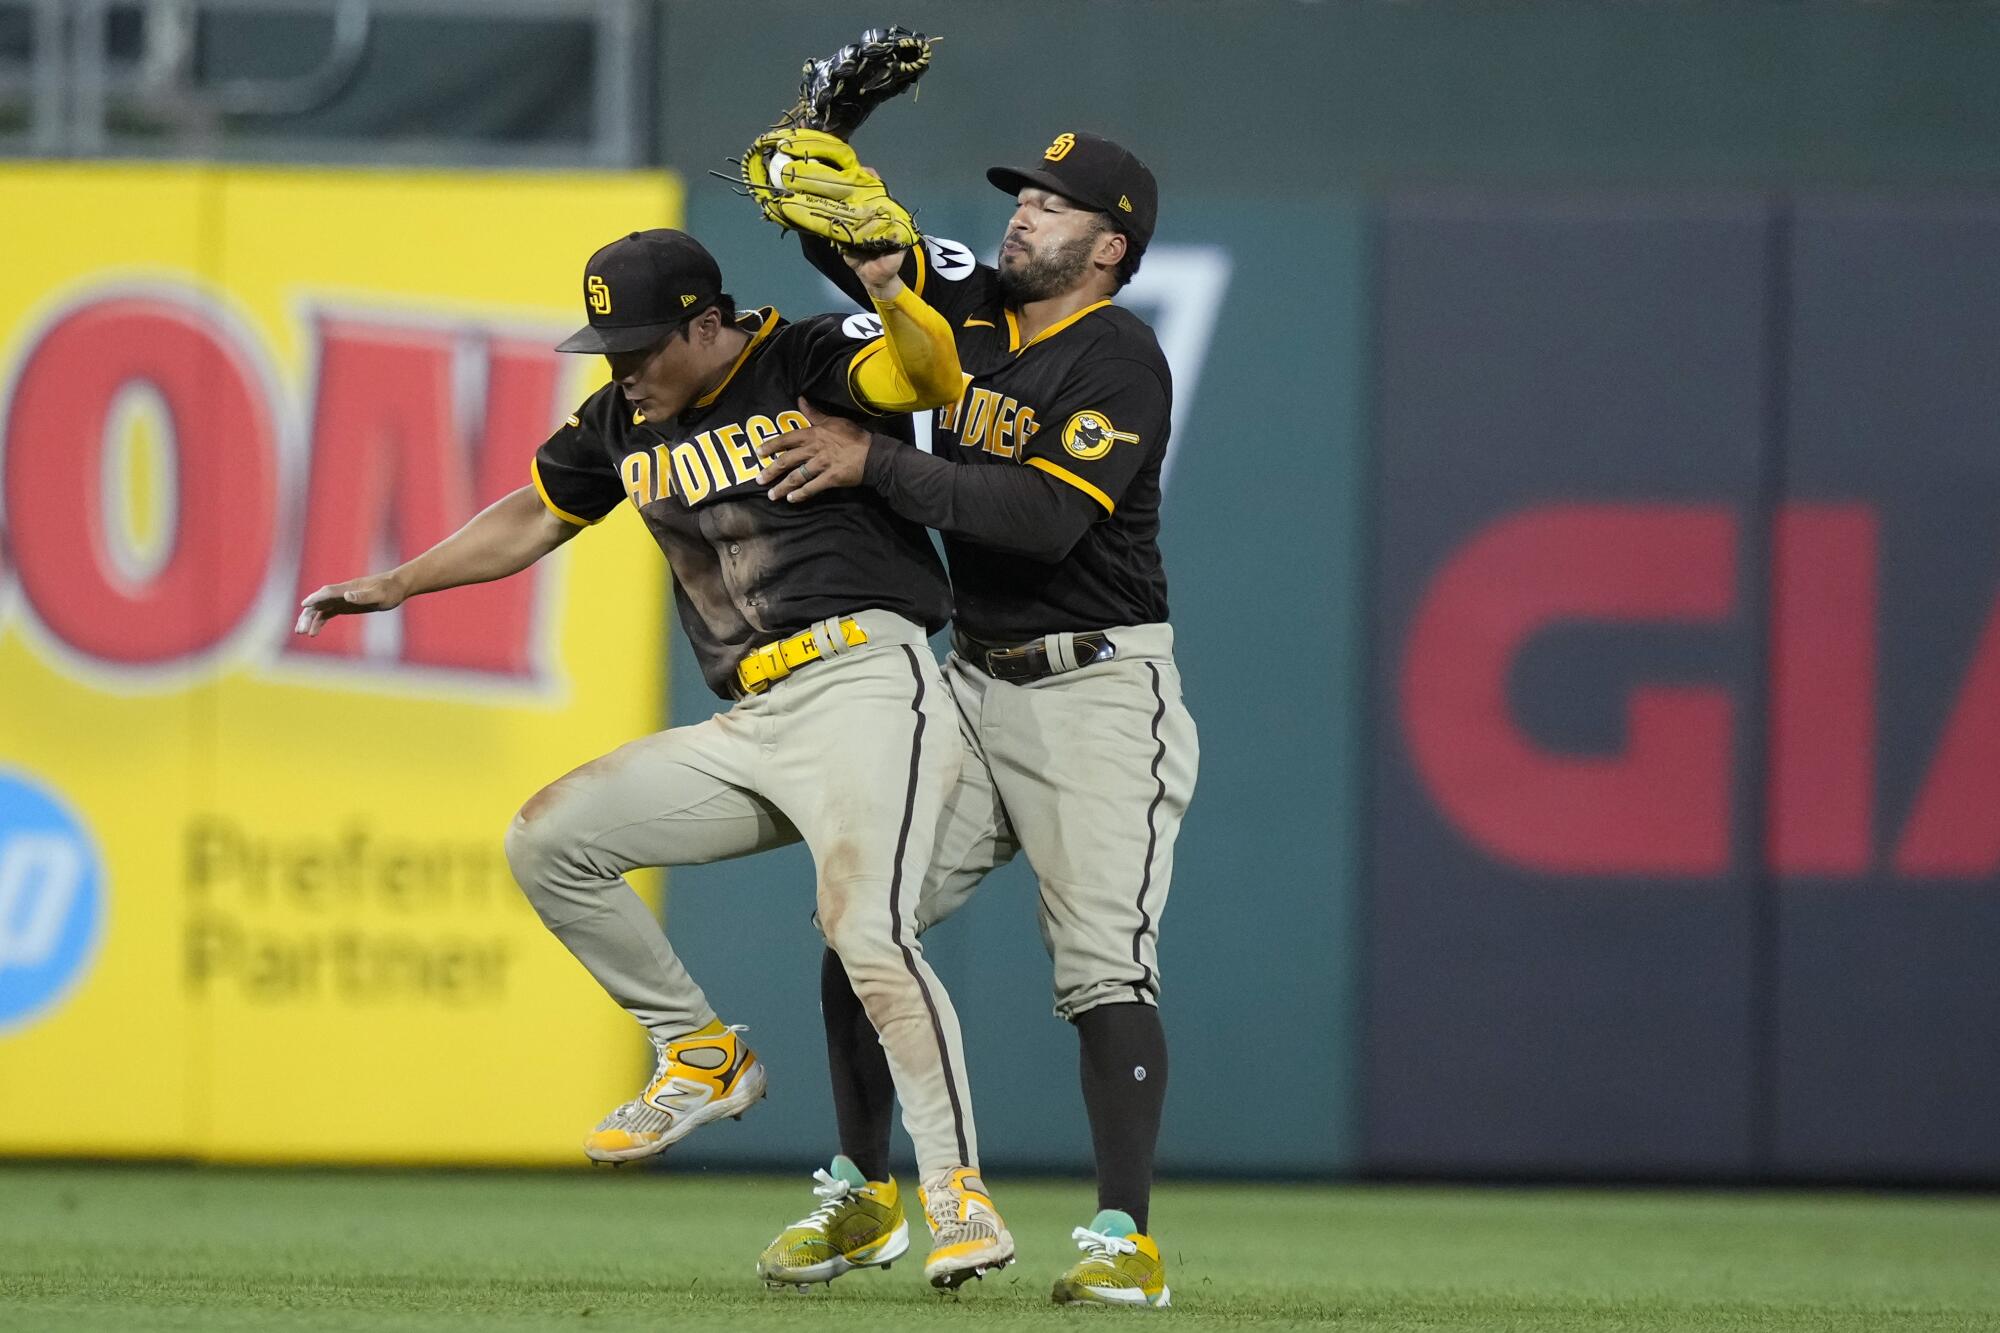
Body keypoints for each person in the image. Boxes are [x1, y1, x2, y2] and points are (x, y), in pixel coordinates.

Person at [294, 227, 1014, 1290]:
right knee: (551, 839)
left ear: (706, 322)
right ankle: (698, 1052)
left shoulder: (804, 357)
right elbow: (537, 513)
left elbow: (926, 373)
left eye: (639, 346)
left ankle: (956, 1191)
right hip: (754, 715)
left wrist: (893, 291)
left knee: (864, 929)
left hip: (869, 681)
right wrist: (400, 583)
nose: (621, 369)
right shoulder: (621, 419)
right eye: (607, 349)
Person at [745, 129, 1198, 1309]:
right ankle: (861, 1191)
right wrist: (814, 158)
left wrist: (870, 462)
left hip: (1096, 685)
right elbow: (865, 244)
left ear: (1109, 247)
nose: (1022, 216)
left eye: (1054, 207)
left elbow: (1039, 518)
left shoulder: (1118, 360)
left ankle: (1120, 1238)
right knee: (862, 921)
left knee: (1101, 964)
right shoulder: (978, 307)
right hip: (972, 675)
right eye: (1021, 196)